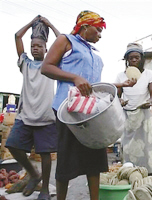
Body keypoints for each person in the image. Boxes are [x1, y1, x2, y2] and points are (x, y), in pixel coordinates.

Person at [41, 11, 110, 200]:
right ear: (86, 26)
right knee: (66, 159)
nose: (100, 35)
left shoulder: (93, 52)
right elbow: (46, 67)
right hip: (69, 109)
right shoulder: (66, 40)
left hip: (91, 112)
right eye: (98, 30)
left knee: (95, 157)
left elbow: (93, 84)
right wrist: (74, 77)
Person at [5, 16, 60, 200]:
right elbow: (17, 37)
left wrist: (50, 24)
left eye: (39, 46)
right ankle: (33, 174)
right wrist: (30, 23)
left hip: (45, 116)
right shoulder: (25, 64)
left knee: (45, 154)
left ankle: (44, 188)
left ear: (46, 48)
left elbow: (62, 44)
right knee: (12, 145)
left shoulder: (50, 65)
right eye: (32, 46)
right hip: (25, 115)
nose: (35, 48)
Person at [114, 43, 152, 175]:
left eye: (136, 57)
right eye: (131, 58)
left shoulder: (149, 74)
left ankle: (148, 173)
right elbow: (118, 96)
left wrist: (149, 101)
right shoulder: (121, 76)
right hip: (127, 115)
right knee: (127, 146)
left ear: (141, 59)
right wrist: (120, 101)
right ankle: (130, 173)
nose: (133, 60)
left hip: (143, 115)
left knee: (146, 146)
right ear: (127, 60)